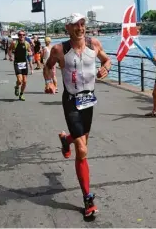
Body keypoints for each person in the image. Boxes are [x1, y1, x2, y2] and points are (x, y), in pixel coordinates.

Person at [43, 13, 111, 217]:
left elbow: (108, 60)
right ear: (67, 28)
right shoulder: (59, 49)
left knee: (82, 144)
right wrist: (49, 82)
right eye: (76, 25)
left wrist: (106, 68)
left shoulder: (94, 44)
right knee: (82, 150)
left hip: (89, 100)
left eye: (83, 24)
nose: (80, 28)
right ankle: (88, 199)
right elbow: (47, 67)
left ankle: (66, 139)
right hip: (71, 101)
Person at [8, 30, 32, 101]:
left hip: (24, 63)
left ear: (25, 36)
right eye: (20, 35)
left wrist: (30, 53)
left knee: (25, 81)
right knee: (19, 80)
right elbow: (9, 49)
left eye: (23, 35)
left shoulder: (27, 43)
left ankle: (21, 94)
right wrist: (10, 56)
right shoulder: (14, 43)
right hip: (17, 63)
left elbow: (30, 50)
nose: (22, 36)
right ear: (18, 36)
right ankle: (17, 86)